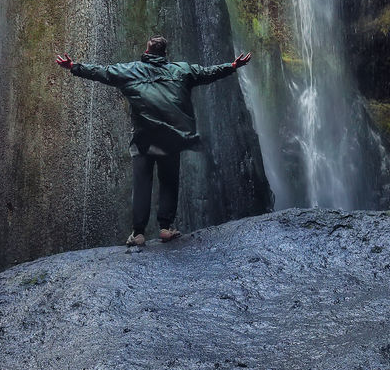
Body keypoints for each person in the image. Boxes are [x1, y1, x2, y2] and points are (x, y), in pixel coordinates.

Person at [56, 35, 252, 247]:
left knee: (142, 184)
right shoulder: (182, 70)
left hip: (144, 139)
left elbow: (101, 72)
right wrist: (232, 65)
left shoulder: (131, 70)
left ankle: (138, 233)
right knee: (169, 181)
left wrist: (74, 66)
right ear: (165, 54)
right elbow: (207, 73)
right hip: (170, 138)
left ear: (147, 52)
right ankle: (166, 228)